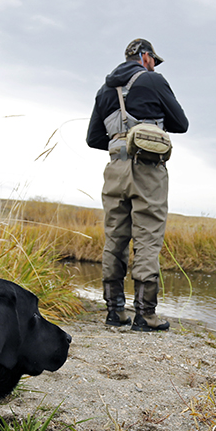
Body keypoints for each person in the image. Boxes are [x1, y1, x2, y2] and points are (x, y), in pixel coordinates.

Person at [86, 38, 189, 331]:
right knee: (148, 237)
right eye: (153, 59)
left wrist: (119, 137)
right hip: (148, 170)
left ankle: (114, 313)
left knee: (115, 238)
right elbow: (181, 124)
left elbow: (93, 139)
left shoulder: (104, 90)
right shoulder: (154, 81)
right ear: (144, 57)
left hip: (114, 170)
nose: (154, 65)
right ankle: (145, 314)